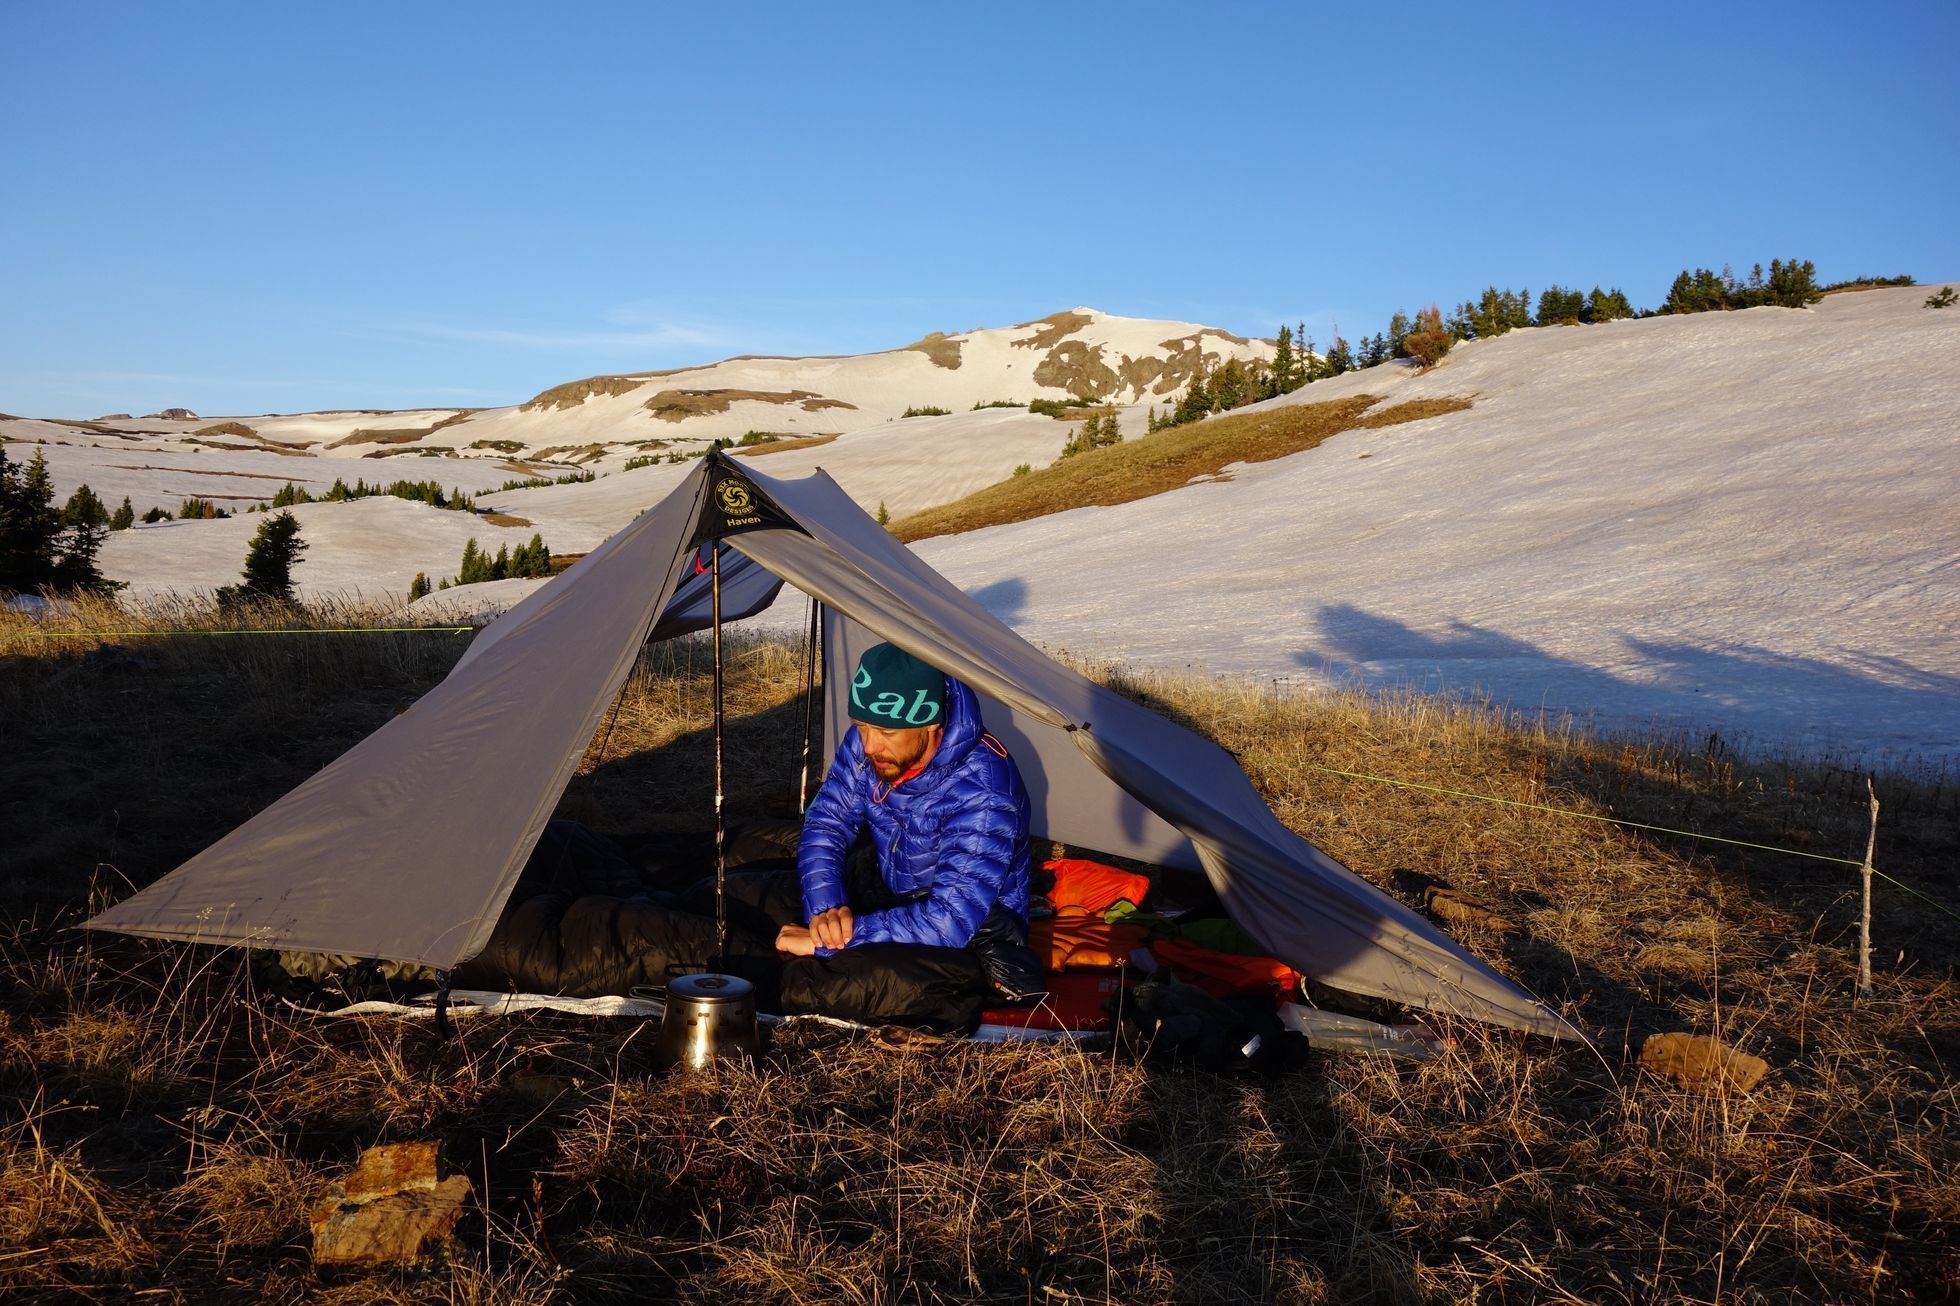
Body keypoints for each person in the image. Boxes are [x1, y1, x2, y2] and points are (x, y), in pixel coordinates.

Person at [776, 642, 1041, 999]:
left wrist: (829, 942)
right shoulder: (868, 743)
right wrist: (826, 912)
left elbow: (949, 921)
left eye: (886, 733)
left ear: (931, 724)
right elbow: (828, 822)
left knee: (812, 984)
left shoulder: (984, 790)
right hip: (891, 894)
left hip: (969, 935)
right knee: (743, 900)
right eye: (862, 725)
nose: (869, 746)